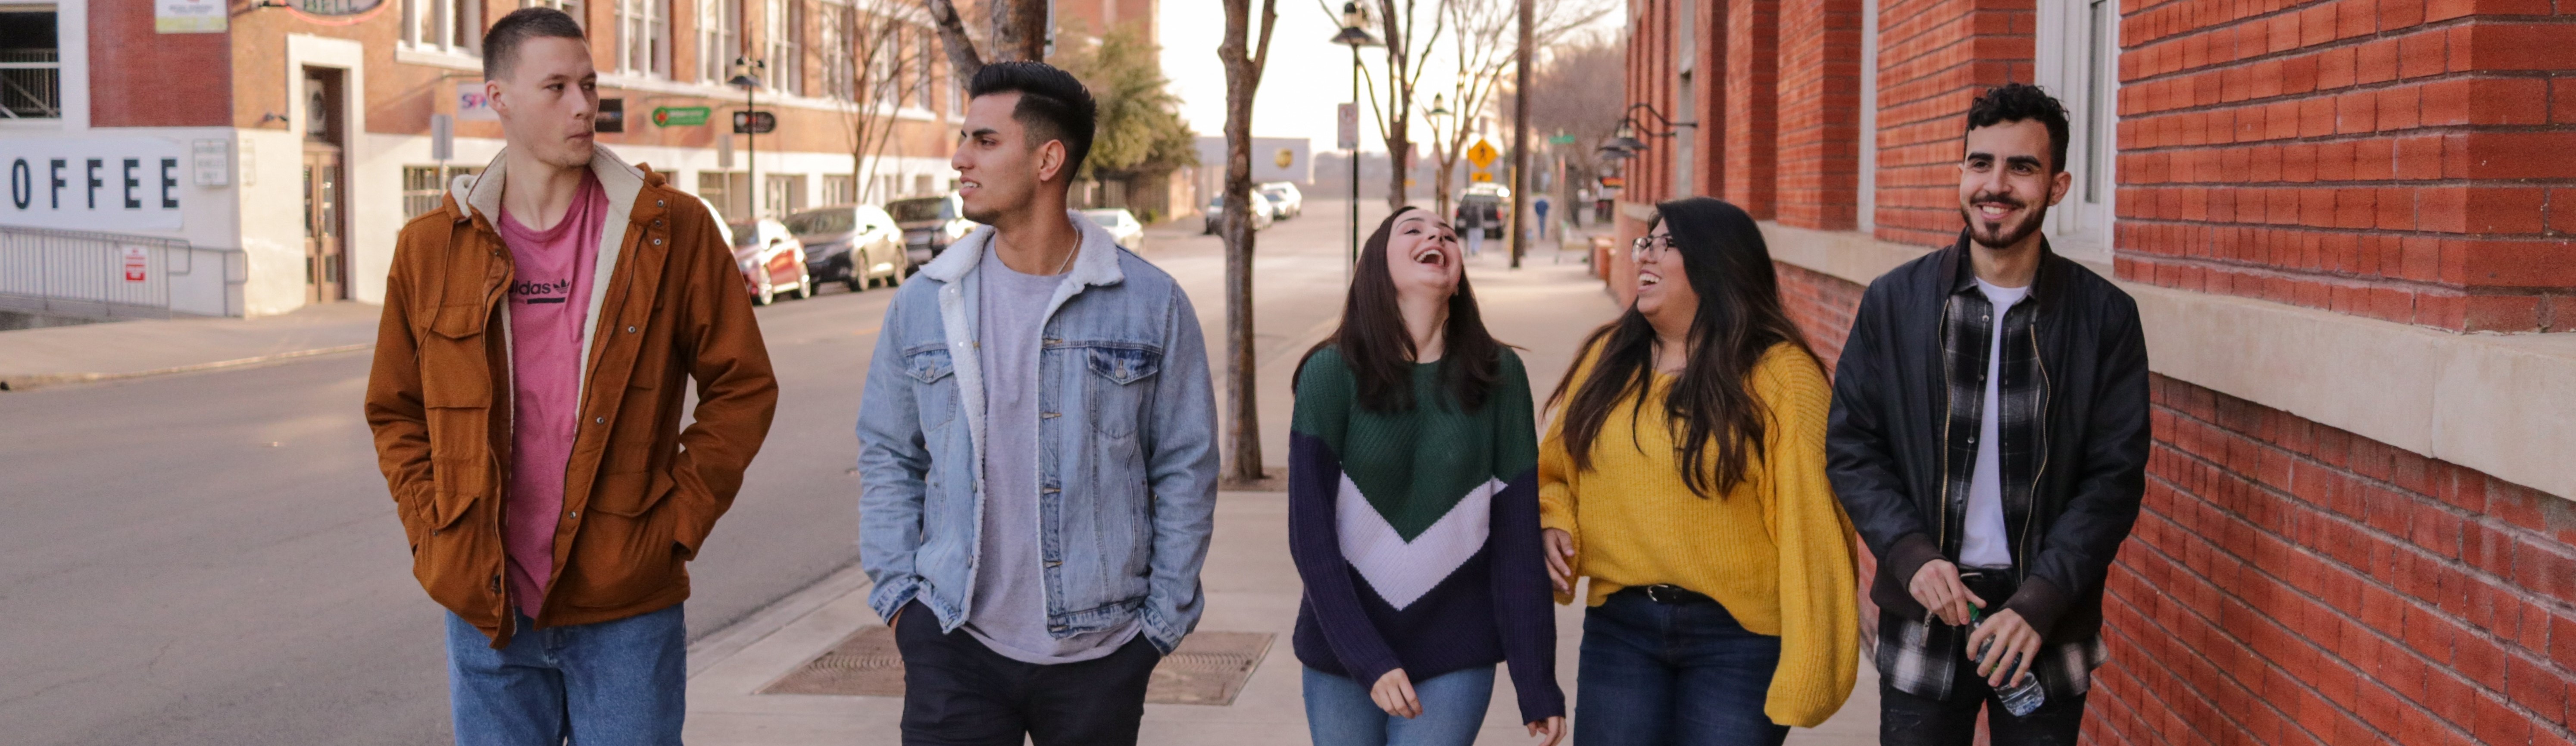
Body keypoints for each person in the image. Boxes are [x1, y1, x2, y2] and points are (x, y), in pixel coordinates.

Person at [364, 7, 778, 743]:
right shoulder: (430, 249)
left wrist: (675, 524)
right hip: (486, 611)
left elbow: (741, 387)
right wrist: (436, 528)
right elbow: (396, 409)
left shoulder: (671, 231)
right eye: (556, 87)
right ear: (499, 99)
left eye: (588, 84)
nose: (585, 105)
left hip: (625, 606)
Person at [855, 60, 1220, 746]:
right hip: (952, 641)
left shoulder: (1149, 303)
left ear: (1049, 158)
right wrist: (904, 604)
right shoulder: (926, 302)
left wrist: (1156, 628)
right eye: (965, 138)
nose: (960, 158)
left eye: (985, 141)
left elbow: (1185, 468)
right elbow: (887, 456)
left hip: (1100, 655)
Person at [1825, 83, 2150, 746]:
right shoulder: (1896, 303)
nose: (1995, 185)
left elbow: (2112, 479)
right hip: (1926, 607)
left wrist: (2041, 600)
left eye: (2020, 167)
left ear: (2057, 186)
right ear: (1961, 172)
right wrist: (1911, 556)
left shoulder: (2105, 318)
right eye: (1981, 163)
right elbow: (1853, 447)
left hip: (2045, 616)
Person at [1538, 197, 1859, 746]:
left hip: (1739, 640)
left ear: (1718, 263)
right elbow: (1555, 472)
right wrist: (1553, 520)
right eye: (1646, 241)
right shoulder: (1607, 359)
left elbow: (1815, 528)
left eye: (1668, 244)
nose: (1647, 254)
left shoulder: (1780, 376)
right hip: (1621, 629)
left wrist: (1812, 664)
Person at [1287, 207, 1568, 746]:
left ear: (1458, 273)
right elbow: (1311, 538)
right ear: (1376, 263)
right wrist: (1368, 658)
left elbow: (1515, 540)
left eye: (1447, 233)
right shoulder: (1330, 373)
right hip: (1342, 649)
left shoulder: (1500, 375)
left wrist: (1536, 681)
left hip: (1455, 647)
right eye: (1412, 229)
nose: (1436, 236)